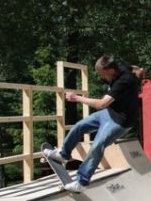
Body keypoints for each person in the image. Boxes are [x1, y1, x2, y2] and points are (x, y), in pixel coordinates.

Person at [43, 55, 144, 192]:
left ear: (110, 71)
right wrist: (139, 81)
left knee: (97, 146)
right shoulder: (121, 66)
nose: (102, 77)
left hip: (121, 121)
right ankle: (63, 154)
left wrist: (78, 98)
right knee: (79, 126)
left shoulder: (124, 81)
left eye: (103, 74)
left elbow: (101, 104)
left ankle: (81, 182)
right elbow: (139, 69)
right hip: (110, 112)